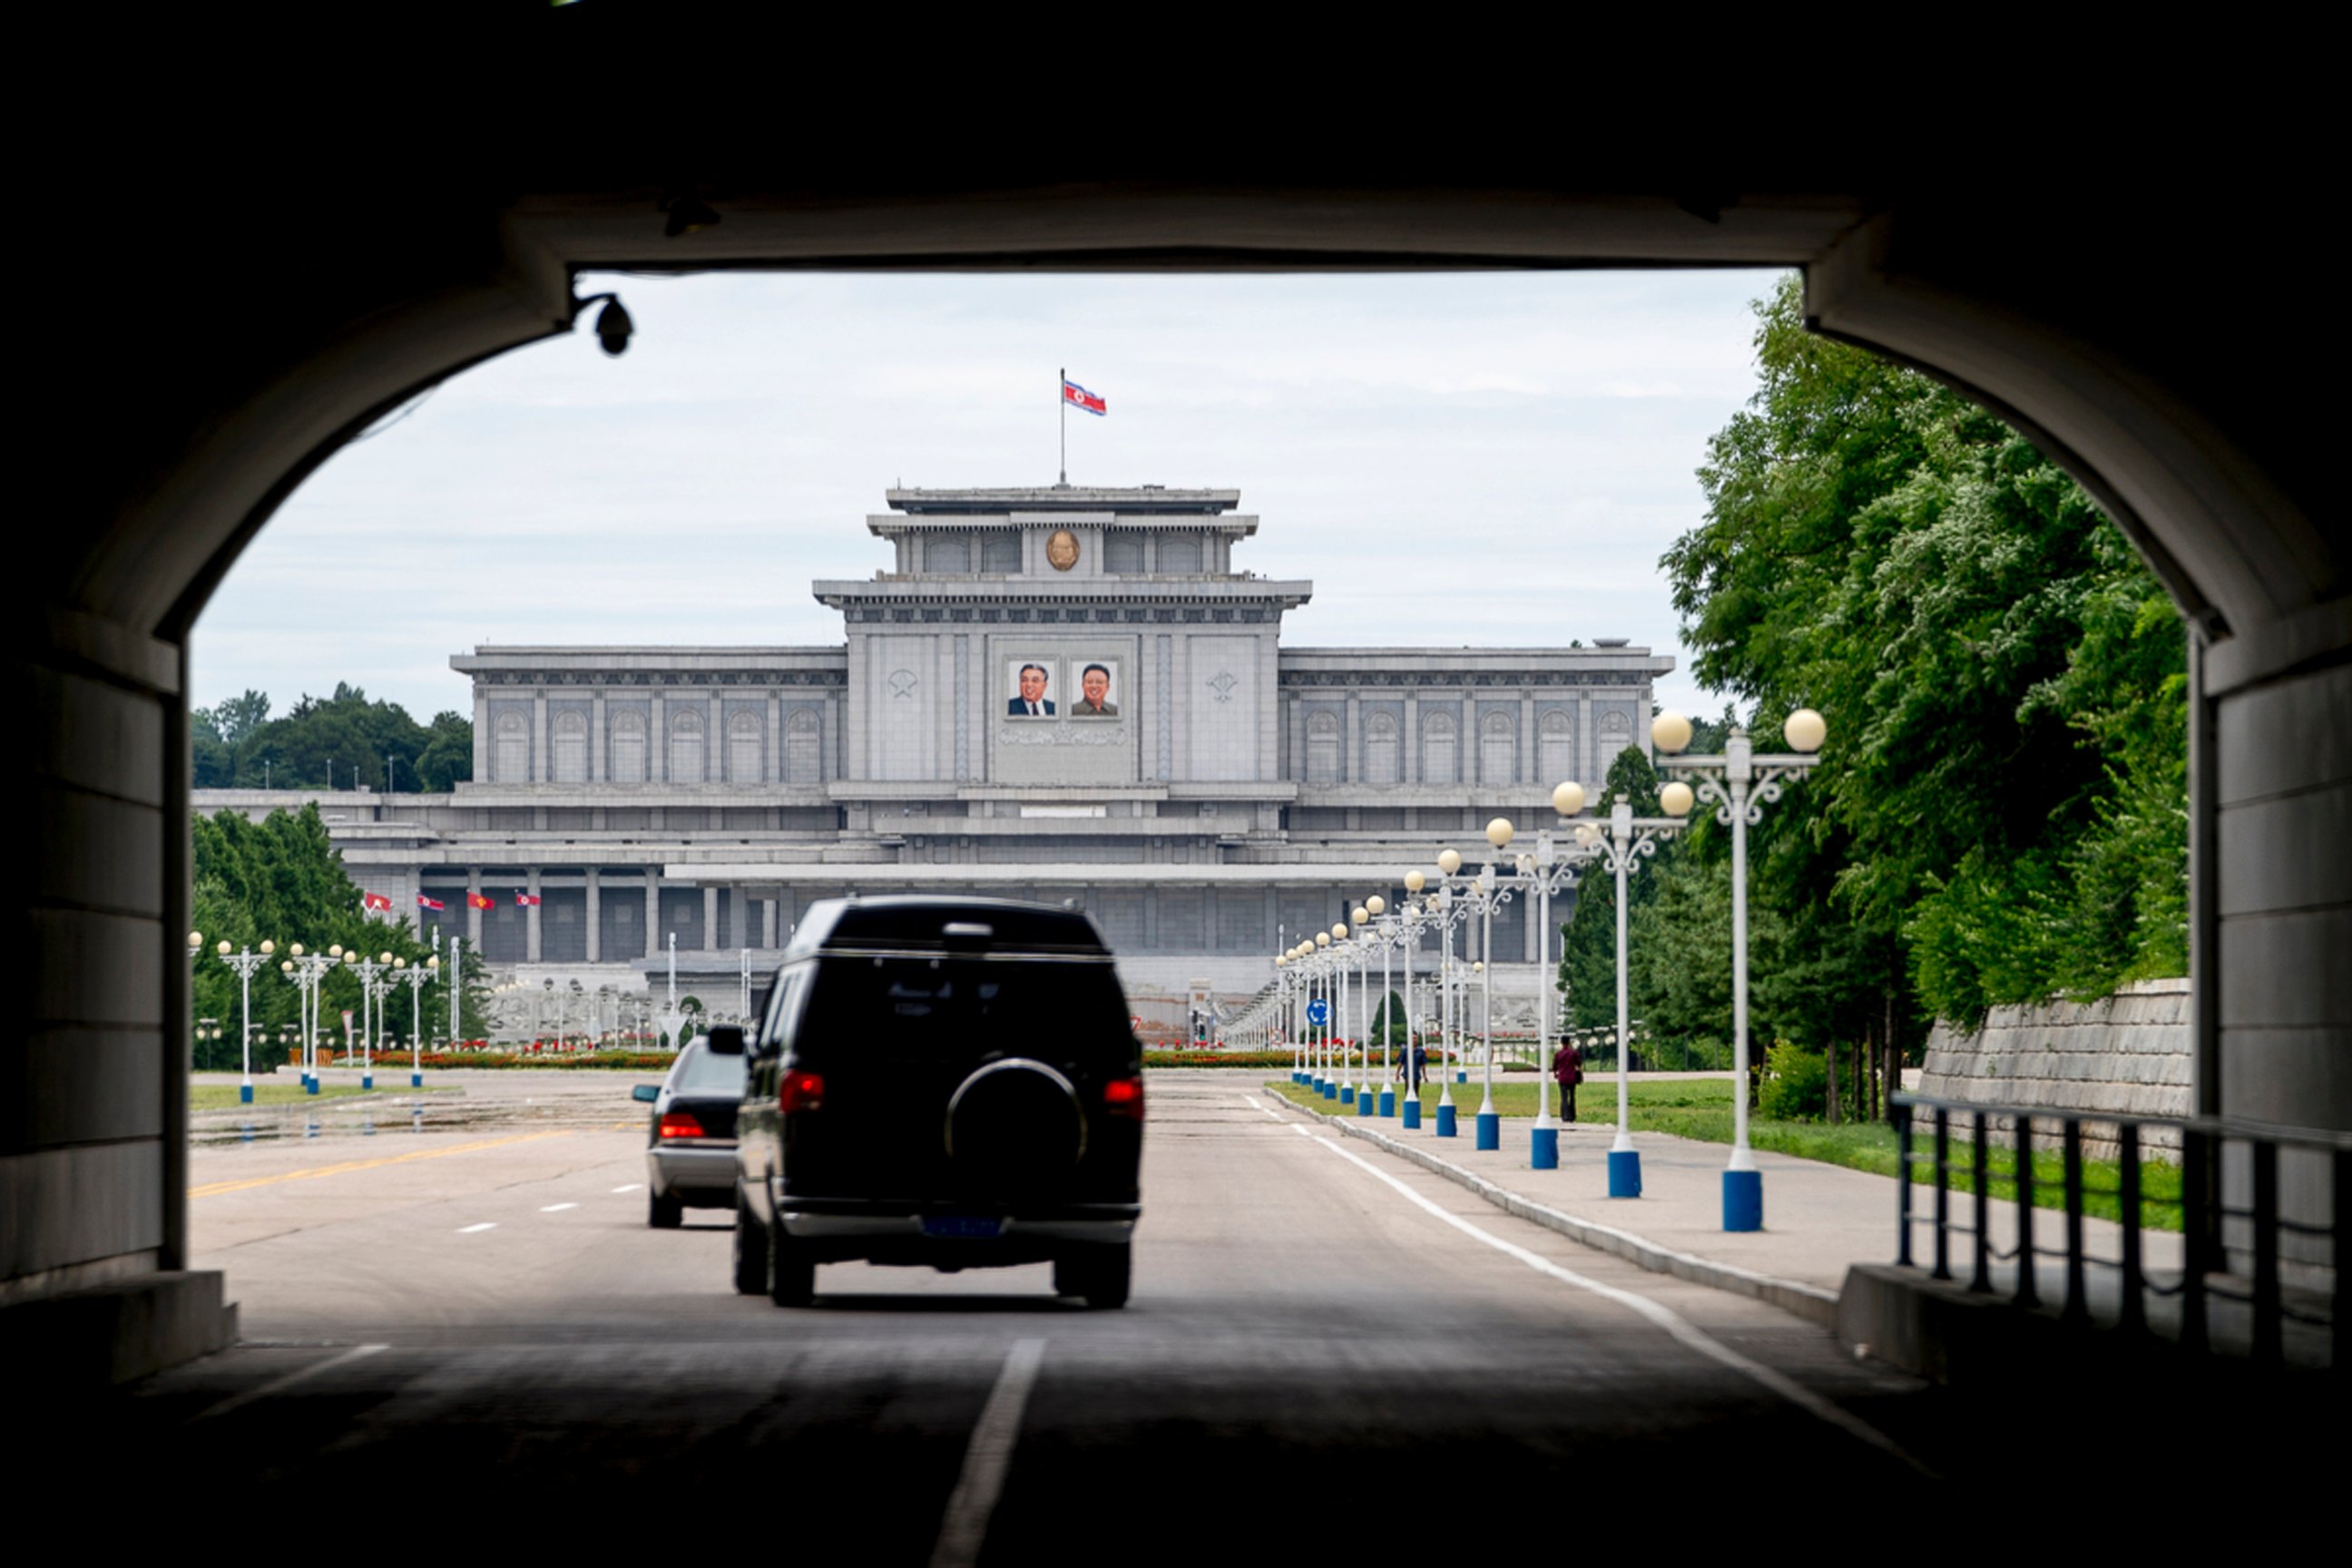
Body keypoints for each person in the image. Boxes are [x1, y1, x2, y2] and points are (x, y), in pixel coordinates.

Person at [1550, 1038, 1583, 1122]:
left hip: (1562, 1078)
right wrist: (1581, 1076)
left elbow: (1554, 1067)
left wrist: (1555, 1074)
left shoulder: (1558, 1054)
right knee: (1572, 1097)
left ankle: (1564, 1115)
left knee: (1564, 1098)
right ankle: (1572, 1115)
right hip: (1572, 1078)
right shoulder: (1573, 1053)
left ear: (1561, 1043)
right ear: (1569, 1042)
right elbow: (1579, 1065)